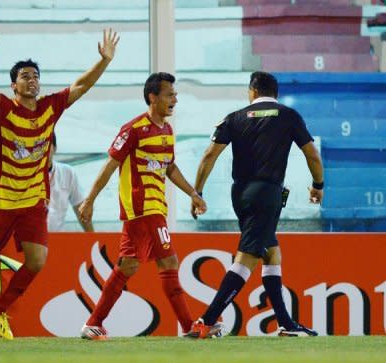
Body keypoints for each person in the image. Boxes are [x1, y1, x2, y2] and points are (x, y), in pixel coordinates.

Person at [0, 25, 119, 343]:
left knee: (36, 261)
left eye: (35, 76)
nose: (32, 80)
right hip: (1, 201)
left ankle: (0, 310)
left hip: (32, 201)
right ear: (14, 85)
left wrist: (103, 61)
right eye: (25, 77)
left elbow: (81, 86)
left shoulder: (50, 108)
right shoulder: (4, 109)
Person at [186, 71, 324, 338]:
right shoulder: (287, 115)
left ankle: (286, 324)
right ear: (276, 93)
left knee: (271, 252)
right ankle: (206, 320)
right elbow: (312, 154)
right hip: (268, 193)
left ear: (251, 91)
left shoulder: (234, 118)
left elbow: (208, 156)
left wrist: (197, 192)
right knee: (247, 256)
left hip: (240, 194)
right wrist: (318, 185)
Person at [78, 72, 207, 340]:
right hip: (141, 207)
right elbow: (111, 164)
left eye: (175, 94)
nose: (174, 99)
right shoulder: (133, 129)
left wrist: (193, 193)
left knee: (127, 266)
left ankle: (93, 323)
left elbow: (169, 168)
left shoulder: (167, 131)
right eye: (169, 94)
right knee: (168, 260)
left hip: (155, 207)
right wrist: (89, 199)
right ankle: (188, 326)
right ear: (153, 97)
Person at [48, 133, 94, 232]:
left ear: (55, 148)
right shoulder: (24, 174)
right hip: (30, 242)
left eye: (48, 144)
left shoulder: (67, 172)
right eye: (39, 145)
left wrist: (93, 237)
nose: (44, 149)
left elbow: (80, 208)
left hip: (58, 239)